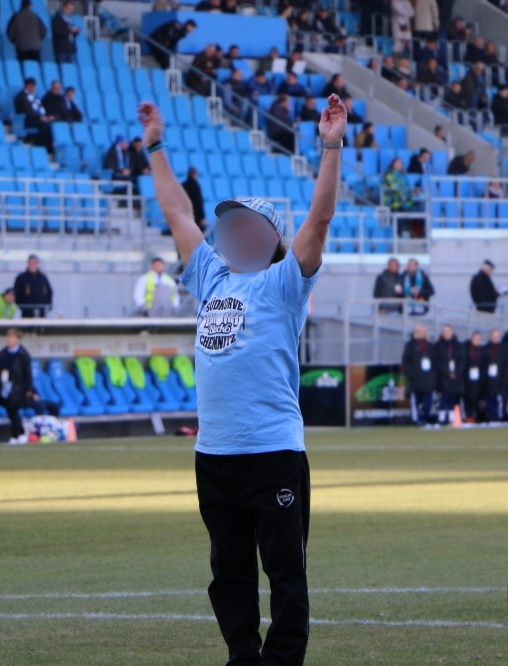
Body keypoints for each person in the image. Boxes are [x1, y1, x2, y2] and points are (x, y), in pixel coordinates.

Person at [137, 91, 345, 666]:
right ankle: (242, 658)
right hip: (215, 453)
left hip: (273, 451)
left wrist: (331, 145)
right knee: (227, 571)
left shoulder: (284, 283)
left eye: (248, 226)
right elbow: (178, 213)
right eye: (230, 224)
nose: (235, 233)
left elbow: (320, 218)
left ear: (273, 239)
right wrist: (156, 146)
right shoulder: (210, 275)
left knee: (284, 572)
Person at [0, 328, 59, 444]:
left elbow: (27, 373)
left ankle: (26, 433)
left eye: (12, 338)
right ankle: (17, 434)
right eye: (8, 337)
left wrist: (30, 389)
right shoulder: (3, 353)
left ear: (18, 340)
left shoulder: (23, 354)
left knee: (20, 407)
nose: (9, 340)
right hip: (6, 387)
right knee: (11, 411)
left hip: (20, 388)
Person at [402, 324, 437, 428]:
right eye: (420, 331)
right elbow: (406, 361)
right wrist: (411, 375)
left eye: (423, 331)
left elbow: (435, 362)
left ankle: (424, 419)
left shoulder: (430, 346)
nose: (422, 333)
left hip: (428, 380)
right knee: (416, 402)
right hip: (415, 380)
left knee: (428, 403)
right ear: (416, 332)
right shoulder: (410, 345)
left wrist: (433, 377)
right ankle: (417, 420)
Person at [433, 325, 464, 425]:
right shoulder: (437, 346)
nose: (446, 333)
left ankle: (451, 417)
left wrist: (456, 373)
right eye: (444, 331)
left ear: (452, 332)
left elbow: (462, 361)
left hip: (455, 376)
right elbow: (437, 362)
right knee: (444, 396)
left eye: (448, 331)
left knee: (452, 396)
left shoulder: (458, 345)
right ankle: (441, 417)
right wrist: (447, 372)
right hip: (444, 376)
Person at [483, 328, 508, 423]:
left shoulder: (504, 349)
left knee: (499, 400)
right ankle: (491, 417)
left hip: (500, 381)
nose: (495, 337)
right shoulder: (485, 349)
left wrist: (505, 380)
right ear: (490, 336)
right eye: (494, 335)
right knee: (489, 400)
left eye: (497, 336)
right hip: (488, 381)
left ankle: (498, 418)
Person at [14, 78, 52, 150]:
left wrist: (47, 116)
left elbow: (40, 108)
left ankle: (50, 147)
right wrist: (40, 117)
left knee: (52, 123)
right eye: (31, 86)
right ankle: (42, 147)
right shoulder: (22, 97)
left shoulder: (35, 96)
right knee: (44, 124)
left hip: (37, 118)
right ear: (27, 86)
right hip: (27, 120)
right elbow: (28, 111)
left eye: (34, 86)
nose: (33, 88)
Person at [462, 331, 485, 422]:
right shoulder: (466, 349)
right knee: (467, 399)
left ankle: (474, 417)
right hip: (467, 379)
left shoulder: (482, 351)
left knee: (476, 399)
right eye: (475, 338)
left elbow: (483, 366)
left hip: (477, 379)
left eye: (478, 339)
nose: (477, 340)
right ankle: (467, 417)